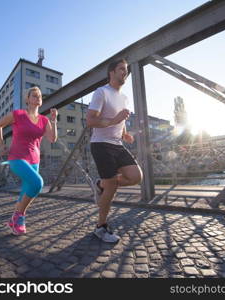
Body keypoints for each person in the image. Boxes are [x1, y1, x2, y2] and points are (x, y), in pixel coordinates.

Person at [86, 58, 143, 243]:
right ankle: (100, 227)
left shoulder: (124, 97)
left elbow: (121, 121)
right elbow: (90, 120)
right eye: (121, 69)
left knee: (136, 176)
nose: (124, 72)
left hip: (118, 145)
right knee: (112, 185)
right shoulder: (101, 92)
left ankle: (101, 184)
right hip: (101, 143)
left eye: (126, 70)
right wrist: (113, 121)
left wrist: (125, 134)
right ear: (111, 72)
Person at [0, 86, 58, 235]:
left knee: (26, 191)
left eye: (40, 96)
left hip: (34, 160)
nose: (38, 98)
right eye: (34, 96)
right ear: (27, 99)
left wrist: (53, 121)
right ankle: (19, 216)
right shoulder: (18, 114)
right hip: (16, 157)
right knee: (37, 183)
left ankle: (14, 221)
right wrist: (1, 144)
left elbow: (52, 139)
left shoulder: (44, 120)